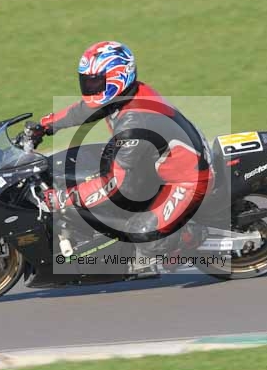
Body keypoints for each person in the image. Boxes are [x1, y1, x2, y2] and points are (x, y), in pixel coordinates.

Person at [29, 41, 213, 273]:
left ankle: (188, 237)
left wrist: (62, 199)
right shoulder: (123, 95)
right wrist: (45, 126)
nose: (89, 87)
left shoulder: (134, 121)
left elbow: (114, 184)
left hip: (187, 180)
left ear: (117, 78)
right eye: (86, 80)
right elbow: (82, 110)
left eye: (95, 81)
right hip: (158, 162)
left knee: (141, 232)